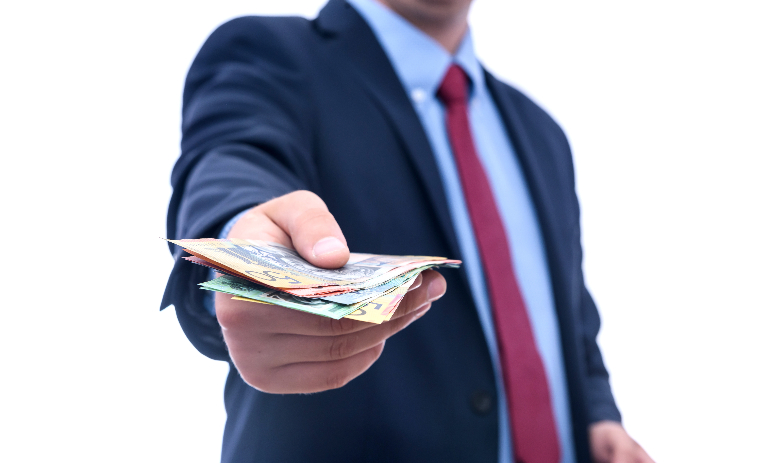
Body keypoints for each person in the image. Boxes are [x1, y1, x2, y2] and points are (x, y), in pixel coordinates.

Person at [161, 0, 654, 462]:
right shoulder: (272, 55)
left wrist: (597, 417)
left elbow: (569, 312)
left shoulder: (542, 134)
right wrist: (248, 257)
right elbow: (230, 164)